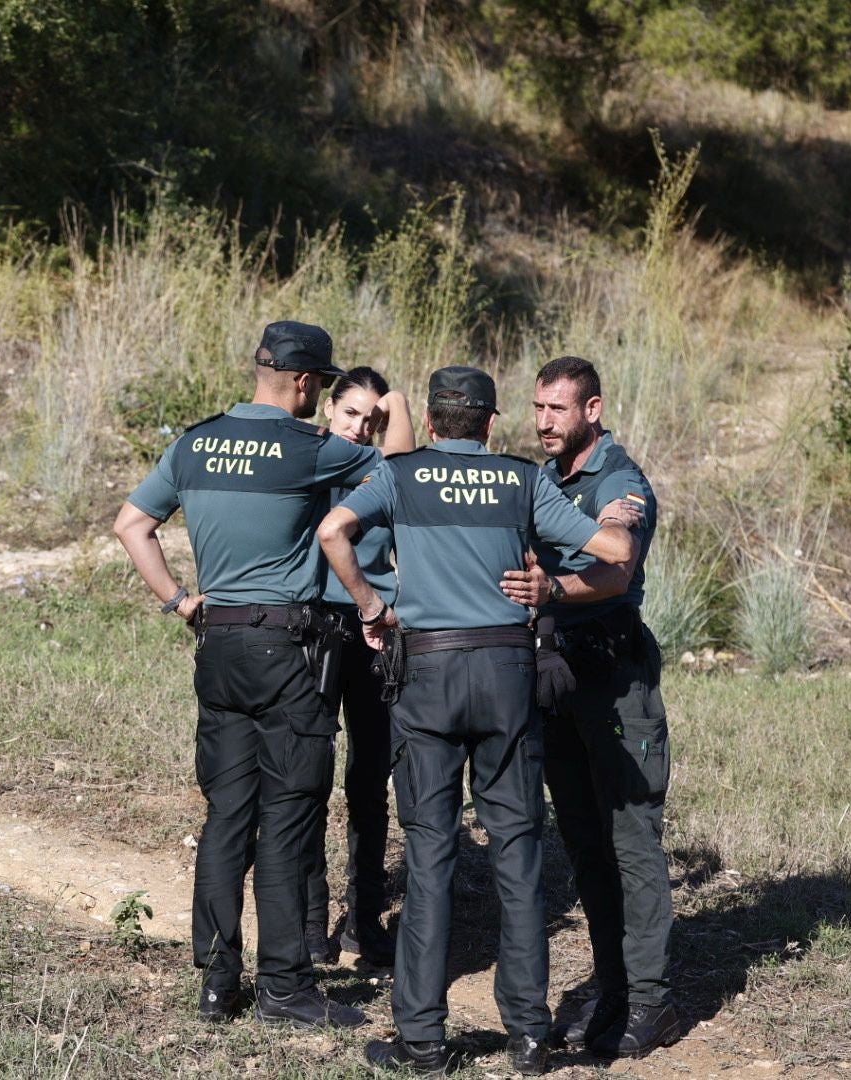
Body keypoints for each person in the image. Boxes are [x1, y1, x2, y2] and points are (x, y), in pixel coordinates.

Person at [318, 365, 636, 1076]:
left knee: (430, 853)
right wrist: (553, 584)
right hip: (506, 677)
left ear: (432, 423)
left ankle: (422, 1039)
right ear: (491, 424)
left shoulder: (399, 475)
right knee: (518, 853)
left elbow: (333, 530)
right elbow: (615, 552)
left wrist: (372, 607)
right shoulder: (522, 480)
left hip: (428, 676)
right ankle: (529, 1036)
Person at [112, 320, 381, 1029]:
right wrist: (394, 406)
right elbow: (401, 467)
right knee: (288, 817)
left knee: (227, 816)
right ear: (304, 382)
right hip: (288, 650)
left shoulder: (194, 443)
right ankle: (285, 989)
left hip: (219, 643)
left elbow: (132, 525)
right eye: (322, 384)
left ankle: (216, 982)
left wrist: (179, 600)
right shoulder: (311, 448)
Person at [497, 355, 679, 1059]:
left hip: (614, 677)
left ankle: (653, 1002)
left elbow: (617, 563)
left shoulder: (618, 481)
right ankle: (613, 988)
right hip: (558, 679)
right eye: (538, 408)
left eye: (558, 409)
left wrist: (554, 592)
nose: (544, 422)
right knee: (582, 840)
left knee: (631, 840)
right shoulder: (546, 479)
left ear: (592, 410)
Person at [306, 366, 415, 967]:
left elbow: (402, 463)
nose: (359, 426)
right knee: (308, 779)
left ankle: (364, 921)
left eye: (372, 419)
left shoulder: (384, 468)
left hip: (376, 629)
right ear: (328, 408)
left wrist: (395, 404)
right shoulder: (311, 456)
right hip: (316, 626)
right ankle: (310, 923)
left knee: (370, 781)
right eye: (350, 412)